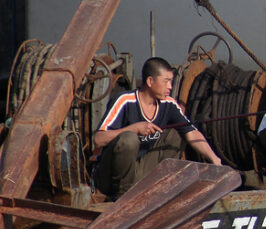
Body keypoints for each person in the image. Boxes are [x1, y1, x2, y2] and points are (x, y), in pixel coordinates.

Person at [93, 57, 222, 198]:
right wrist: (133, 129)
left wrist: (214, 159)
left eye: (171, 81)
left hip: (140, 171)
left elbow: (192, 133)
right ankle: (122, 196)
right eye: (166, 81)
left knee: (177, 133)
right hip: (110, 177)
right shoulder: (124, 101)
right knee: (129, 139)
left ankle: (159, 187)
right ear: (150, 81)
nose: (170, 87)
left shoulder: (169, 104)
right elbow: (98, 139)